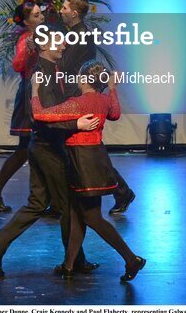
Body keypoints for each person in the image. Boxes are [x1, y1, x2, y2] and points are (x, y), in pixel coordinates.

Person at [0, 27, 99, 276]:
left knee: (37, 204)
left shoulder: (50, 71)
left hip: (42, 147)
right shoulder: (40, 75)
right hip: (48, 148)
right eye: (59, 41)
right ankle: (75, 260)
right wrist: (75, 124)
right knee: (68, 205)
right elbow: (41, 118)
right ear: (45, 46)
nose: (64, 45)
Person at [32, 61, 146, 282]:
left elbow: (40, 114)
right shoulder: (103, 100)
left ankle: (131, 259)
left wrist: (35, 90)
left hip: (82, 161)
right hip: (95, 158)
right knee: (77, 214)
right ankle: (69, 265)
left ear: (83, 79)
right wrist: (112, 88)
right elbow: (115, 114)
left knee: (92, 217)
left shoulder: (78, 103)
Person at [59, 0, 136, 215]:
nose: (61, 10)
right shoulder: (75, 33)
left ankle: (121, 191)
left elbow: (67, 67)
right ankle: (120, 192)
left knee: (90, 152)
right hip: (77, 93)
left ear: (74, 13)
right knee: (85, 152)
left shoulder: (80, 35)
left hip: (79, 96)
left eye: (64, 7)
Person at [0, 0, 44, 213]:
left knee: (27, 150)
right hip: (32, 93)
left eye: (40, 13)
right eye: (36, 16)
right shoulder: (26, 39)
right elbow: (18, 65)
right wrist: (29, 49)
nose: (41, 17)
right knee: (28, 149)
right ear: (27, 22)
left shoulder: (48, 33)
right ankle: (42, 200)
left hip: (45, 92)